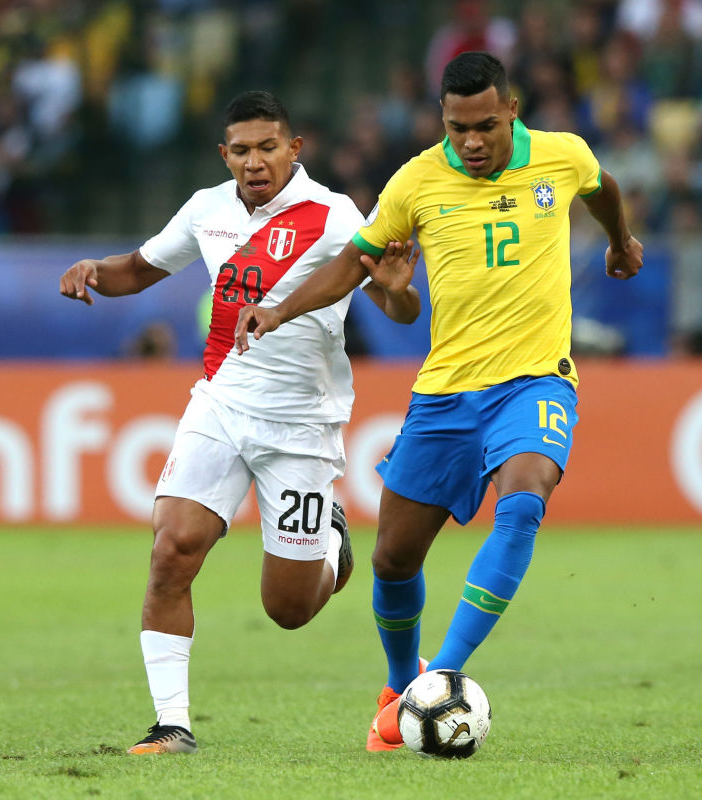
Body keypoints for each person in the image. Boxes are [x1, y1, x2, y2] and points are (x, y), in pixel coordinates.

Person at [235, 52, 643, 752]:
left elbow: (601, 185)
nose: (473, 141)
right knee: (393, 560)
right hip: (447, 393)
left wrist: (618, 238)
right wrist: (278, 309)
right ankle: (400, 687)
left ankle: (442, 677)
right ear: (442, 121)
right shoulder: (416, 181)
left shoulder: (559, 156)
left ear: (511, 110)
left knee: (522, 502)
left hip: (537, 380)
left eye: (486, 125)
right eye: (459, 128)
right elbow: (351, 265)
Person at [59, 90, 399, 755]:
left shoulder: (334, 216)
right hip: (220, 402)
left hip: (300, 425)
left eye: (268, 146)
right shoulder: (206, 209)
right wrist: (95, 270)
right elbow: (139, 269)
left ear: (294, 148)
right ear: (225, 154)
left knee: (290, 610)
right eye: (240, 150)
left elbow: (398, 304)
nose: (254, 161)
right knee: (170, 550)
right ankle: (172, 726)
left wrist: (399, 284)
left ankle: (331, 545)